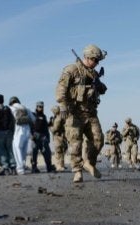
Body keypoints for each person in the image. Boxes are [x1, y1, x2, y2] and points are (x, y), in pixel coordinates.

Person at [55, 44, 107, 183]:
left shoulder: (94, 73)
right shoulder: (72, 70)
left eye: (98, 61)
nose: (97, 63)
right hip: (74, 113)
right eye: (95, 60)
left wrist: (98, 85)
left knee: (98, 140)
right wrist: (62, 105)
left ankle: (88, 162)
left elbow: (102, 90)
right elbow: (61, 88)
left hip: (90, 113)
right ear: (87, 57)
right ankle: (77, 171)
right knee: (75, 143)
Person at [9, 96, 35, 175]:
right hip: (27, 129)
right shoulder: (25, 108)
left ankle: (20, 169)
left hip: (18, 130)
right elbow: (33, 119)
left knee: (17, 148)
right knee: (23, 148)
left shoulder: (11, 108)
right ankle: (22, 165)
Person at [30, 101, 55, 173]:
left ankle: (49, 167)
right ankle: (34, 168)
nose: (41, 108)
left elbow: (45, 127)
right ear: (36, 107)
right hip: (35, 136)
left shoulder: (44, 116)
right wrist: (31, 135)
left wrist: (50, 122)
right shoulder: (33, 115)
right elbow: (30, 126)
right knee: (34, 153)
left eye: (42, 107)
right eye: (39, 106)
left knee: (46, 152)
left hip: (43, 137)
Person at [49, 105, 67, 172]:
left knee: (58, 152)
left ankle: (59, 166)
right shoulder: (58, 117)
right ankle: (61, 165)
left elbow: (54, 129)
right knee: (61, 152)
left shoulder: (58, 119)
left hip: (58, 137)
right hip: (61, 137)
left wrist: (50, 127)